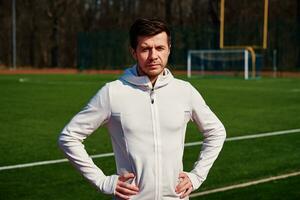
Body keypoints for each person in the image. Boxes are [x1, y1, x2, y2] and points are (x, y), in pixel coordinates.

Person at [58, 18, 226, 200]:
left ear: (169, 48)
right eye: (145, 49)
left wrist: (196, 176)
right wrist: (103, 181)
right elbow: (69, 137)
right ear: (134, 52)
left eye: (160, 48)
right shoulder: (112, 92)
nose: (153, 56)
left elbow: (216, 132)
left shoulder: (185, 91)